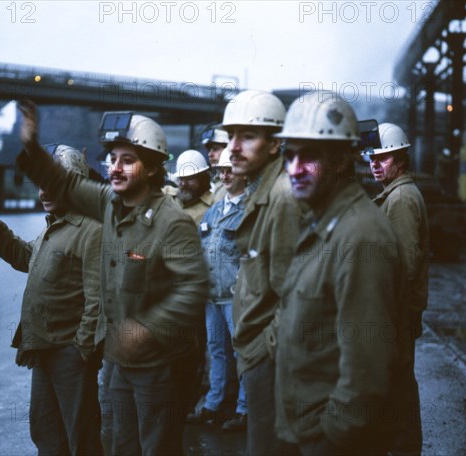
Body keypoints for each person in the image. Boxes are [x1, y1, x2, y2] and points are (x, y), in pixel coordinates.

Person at [16, 102, 209, 456]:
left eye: (127, 160)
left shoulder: (173, 222)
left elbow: (194, 288)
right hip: (120, 362)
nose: (115, 168)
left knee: (157, 448)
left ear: (152, 169)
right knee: (121, 445)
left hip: (161, 364)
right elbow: (63, 182)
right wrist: (31, 145)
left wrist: (148, 328)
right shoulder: (109, 204)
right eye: (112, 158)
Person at [274, 92, 411, 455]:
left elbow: (366, 366)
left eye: (310, 156)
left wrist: (332, 435)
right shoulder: (322, 222)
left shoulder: (360, 236)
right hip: (304, 428)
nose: (296, 169)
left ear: (339, 162)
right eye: (290, 156)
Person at [0, 145, 104, 456]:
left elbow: (98, 299)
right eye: (41, 185)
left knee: (82, 437)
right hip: (44, 348)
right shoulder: (55, 225)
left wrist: (82, 349)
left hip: (70, 353)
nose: (44, 192)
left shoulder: (91, 229)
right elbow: (27, 257)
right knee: (46, 432)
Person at [222, 89, 303, 455]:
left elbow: (293, 294)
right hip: (257, 354)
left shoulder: (283, 197)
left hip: (268, 359)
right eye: (231, 136)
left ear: (275, 146)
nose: (233, 147)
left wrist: (261, 351)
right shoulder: (262, 191)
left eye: (247, 136)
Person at [365, 122, 429, 456]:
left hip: (397, 312)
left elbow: (406, 263)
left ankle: (404, 448)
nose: (375, 164)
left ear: (400, 160)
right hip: (399, 311)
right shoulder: (397, 194)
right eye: (372, 158)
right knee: (399, 381)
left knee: (399, 382)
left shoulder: (401, 198)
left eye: (384, 158)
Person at [188, 147, 248, 431]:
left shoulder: (250, 210)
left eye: (229, 170)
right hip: (212, 296)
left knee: (241, 352)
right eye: (221, 171)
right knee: (216, 350)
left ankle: (244, 409)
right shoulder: (213, 211)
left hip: (236, 297)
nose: (224, 175)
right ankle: (213, 404)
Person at [164, 149, 214, 225]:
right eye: (181, 178)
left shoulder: (214, 205)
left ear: (203, 179)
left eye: (189, 178)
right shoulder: (168, 196)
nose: (183, 184)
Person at [201, 125, 229, 200]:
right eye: (209, 150)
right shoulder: (215, 178)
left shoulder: (237, 180)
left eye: (215, 149)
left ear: (228, 149)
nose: (210, 154)